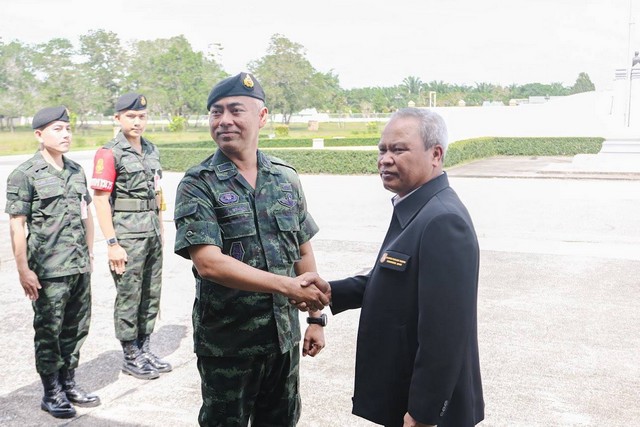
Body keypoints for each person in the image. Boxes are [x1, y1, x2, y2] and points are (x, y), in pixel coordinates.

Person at [301, 108, 484, 427]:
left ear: (435, 155)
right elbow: (396, 279)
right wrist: (333, 291)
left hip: (425, 412)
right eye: (382, 150)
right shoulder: (415, 208)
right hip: (404, 392)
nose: (385, 159)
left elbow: (446, 331)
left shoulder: (442, 220)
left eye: (398, 149)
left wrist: (424, 413)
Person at [173, 72, 329, 427]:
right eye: (216, 112)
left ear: (261, 117)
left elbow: (302, 251)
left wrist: (316, 318)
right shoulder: (199, 183)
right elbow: (209, 263)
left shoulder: (285, 178)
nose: (224, 120)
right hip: (229, 346)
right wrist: (286, 286)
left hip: (283, 340)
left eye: (235, 110)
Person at [6, 106, 100, 418]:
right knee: (49, 331)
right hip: (47, 270)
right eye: (58, 129)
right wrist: (23, 269)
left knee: (76, 329)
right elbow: (17, 225)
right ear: (39, 134)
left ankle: (69, 382)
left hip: (78, 267)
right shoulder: (24, 174)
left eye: (68, 128)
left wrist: (90, 254)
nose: (66, 134)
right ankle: (51, 392)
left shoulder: (75, 170)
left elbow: (87, 215)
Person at [91, 93, 171, 380]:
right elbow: (100, 200)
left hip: (151, 232)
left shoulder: (151, 150)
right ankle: (130, 354)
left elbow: (157, 192)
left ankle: (145, 347)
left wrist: (161, 230)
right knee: (129, 295)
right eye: (131, 116)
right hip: (126, 236)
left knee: (151, 293)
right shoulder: (109, 153)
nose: (137, 122)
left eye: (142, 116)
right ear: (118, 118)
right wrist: (112, 244)